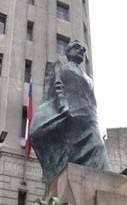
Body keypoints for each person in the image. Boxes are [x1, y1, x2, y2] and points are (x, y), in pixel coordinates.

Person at [29, 40, 111, 183]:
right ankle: (108, 176)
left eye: (83, 49)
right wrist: (63, 106)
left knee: (96, 144)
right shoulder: (61, 67)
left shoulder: (88, 79)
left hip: (88, 116)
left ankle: (106, 176)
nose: (81, 50)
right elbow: (57, 87)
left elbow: (92, 99)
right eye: (76, 47)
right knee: (95, 144)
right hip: (69, 114)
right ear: (68, 52)